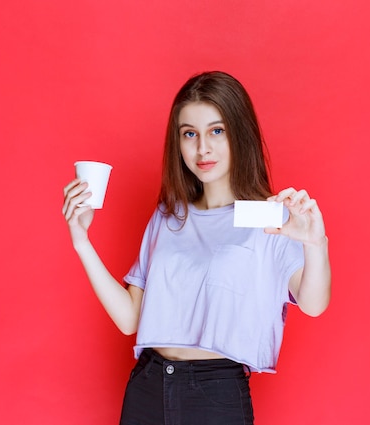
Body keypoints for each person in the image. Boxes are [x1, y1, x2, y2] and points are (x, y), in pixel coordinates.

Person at [62, 71, 331, 425]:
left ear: (240, 133)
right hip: (147, 387)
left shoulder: (272, 217)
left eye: (216, 131)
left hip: (215, 395)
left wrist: (316, 243)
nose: (203, 148)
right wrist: (81, 241)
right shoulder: (168, 216)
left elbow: (313, 304)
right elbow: (130, 318)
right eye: (190, 134)